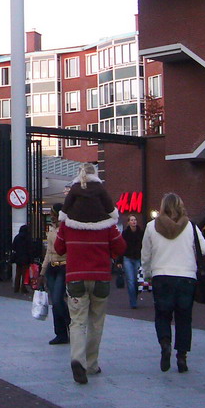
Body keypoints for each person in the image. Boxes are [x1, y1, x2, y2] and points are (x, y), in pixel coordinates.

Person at [54, 163, 125, 384]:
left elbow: (58, 249)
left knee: (77, 322)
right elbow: (121, 248)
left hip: (75, 277)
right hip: (101, 278)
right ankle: (92, 364)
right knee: (96, 322)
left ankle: (77, 359)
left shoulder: (68, 226)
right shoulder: (107, 225)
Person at [140, 193, 205, 373]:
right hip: (186, 277)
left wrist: (147, 274)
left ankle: (165, 344)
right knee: (184, 317)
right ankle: (182, 356)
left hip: (161, 275)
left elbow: (145, 255)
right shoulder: (190, 226)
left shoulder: (151, 227)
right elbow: (204, 249)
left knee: (162, 314)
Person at [39, 204, 69, 344]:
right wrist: (42, 272)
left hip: (63, 266)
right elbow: (48, 252)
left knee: (57, 300)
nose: (51, 215)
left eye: (52, 212)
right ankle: (61, 333)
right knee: (54, 302)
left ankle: (71, 323)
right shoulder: (51, 228)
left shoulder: (66, 228)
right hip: (52, 267)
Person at [120, 214, 145, 309]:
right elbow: (121, 247)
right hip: (128, 258)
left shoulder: (141, 233)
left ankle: (135, 295)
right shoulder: (125, 234)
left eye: (135, 220)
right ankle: (133, 302)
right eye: (132, 220)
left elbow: (144, 246)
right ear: (128, 222)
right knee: (130, 280)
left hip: (138, 258)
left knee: (136, 280)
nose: (134, 221)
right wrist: (119, 260)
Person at [11, 224, 33, 294]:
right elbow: (30, 249)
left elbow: (13, 247)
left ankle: (16, 288)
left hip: (18, 258)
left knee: (18, 274)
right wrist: (31, 259)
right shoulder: (28, 237)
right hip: (26, 258)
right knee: (24, 274)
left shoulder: (17, 237)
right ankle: (23, 288)